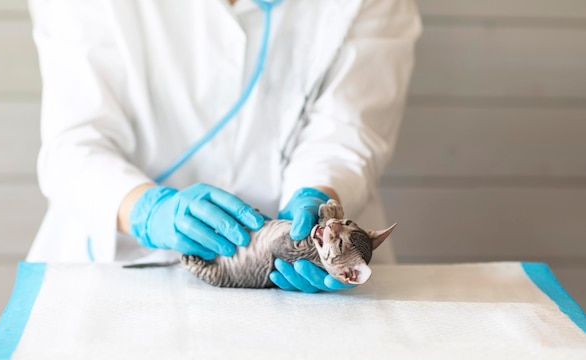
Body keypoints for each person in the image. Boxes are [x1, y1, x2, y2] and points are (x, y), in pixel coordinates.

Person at [26, 0, 421, 292]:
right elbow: (74, 145)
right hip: (114, 265)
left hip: (300, 283)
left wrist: (318, 194)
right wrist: (149, 211)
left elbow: (347, 131)